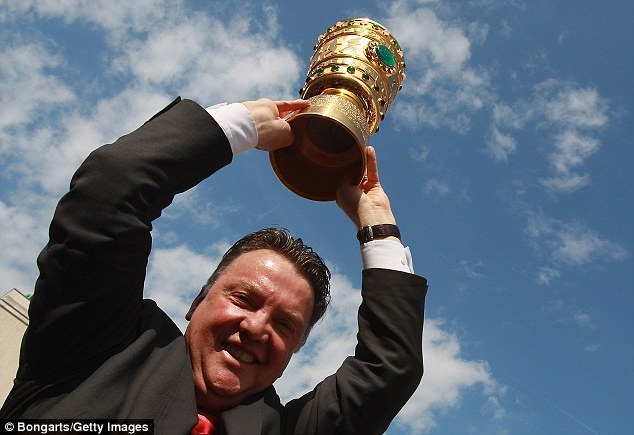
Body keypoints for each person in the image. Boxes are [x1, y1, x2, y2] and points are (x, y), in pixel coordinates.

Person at [0, 97, 428, 434]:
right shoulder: (95, 343)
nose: (256, 327)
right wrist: (241, 125)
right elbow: (111, 190)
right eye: (244, 299)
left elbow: (389, 369)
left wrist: (379, 228)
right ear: (197, 302)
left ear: (296, 350)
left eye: (284, 325)